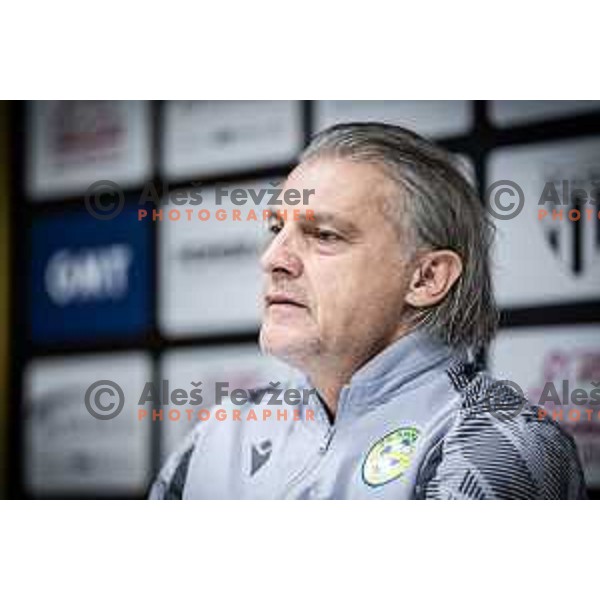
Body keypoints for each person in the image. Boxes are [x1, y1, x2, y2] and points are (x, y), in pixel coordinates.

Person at [149, 122, 586, 499]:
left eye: (323, 235)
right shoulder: (225, 430)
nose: (273, 258)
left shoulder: (497, 442)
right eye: (276, 229)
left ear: (426, 278)